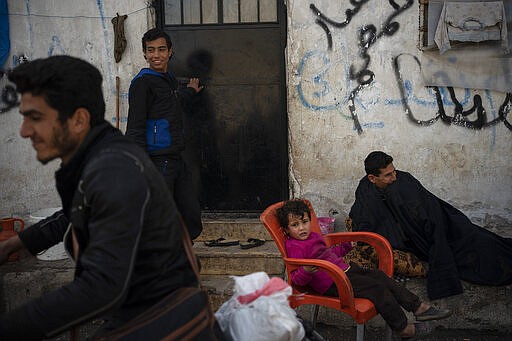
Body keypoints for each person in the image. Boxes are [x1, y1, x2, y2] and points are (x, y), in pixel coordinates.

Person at [0, 55, 199, 340]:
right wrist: (14, 244)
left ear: (79, 120)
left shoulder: (113, 170)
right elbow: (76, 212)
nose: (24, 131)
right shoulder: (98, 157)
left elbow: (102, 287)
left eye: (35, 118)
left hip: (163, 324)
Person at [276, 199, 451, 339]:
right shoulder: (295, 247)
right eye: (295, 225)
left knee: (379, 276)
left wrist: (345, 247)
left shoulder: (313, 236)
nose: (302, 228)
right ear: (286, 229)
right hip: (332, 282)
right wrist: (306, 269)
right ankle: (402, 328)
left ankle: (418, 307)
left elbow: (327, 253)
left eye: (305, 222)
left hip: (344, 270)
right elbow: (296, 279)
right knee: (377, 288)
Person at [349, 151, 512, 300]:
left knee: (481, 239)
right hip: (415, 241)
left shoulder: (404, 180)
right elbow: (364, 221)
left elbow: (428, 210)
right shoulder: (366, 192)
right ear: (372, 178)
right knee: (477, 254)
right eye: (388, 175)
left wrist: (437, 238)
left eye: (394, 171)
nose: (394, 177)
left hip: (440, 225)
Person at [126, 28, 203, 240]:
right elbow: (135, 127)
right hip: (157, 161)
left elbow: (172, 102)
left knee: (190, 213)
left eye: (161, 49)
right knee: (159, 216)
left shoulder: (167, 79)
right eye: (150, 50)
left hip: (176, 157)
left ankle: (180, 253)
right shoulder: (142, 83)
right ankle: (159, 263)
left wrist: (190, 91)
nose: (156, 55)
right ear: (144, 53)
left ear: (170, 51)